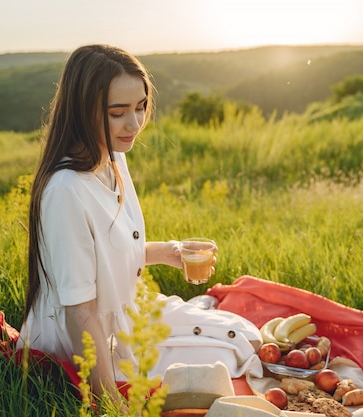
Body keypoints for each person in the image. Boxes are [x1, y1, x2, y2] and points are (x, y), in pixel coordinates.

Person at [19, 45, 262, 405]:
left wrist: (170, 252)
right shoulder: (66, 192)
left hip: (128, 312)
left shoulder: (112, 157)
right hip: (96, 338)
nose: (134, 124)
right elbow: (79, 313)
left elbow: (110, 254)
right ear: (81, 110)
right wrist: (110, 404)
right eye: (118, 113)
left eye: (140, 107)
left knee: (245, 336)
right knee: (229, 358)